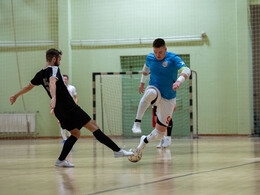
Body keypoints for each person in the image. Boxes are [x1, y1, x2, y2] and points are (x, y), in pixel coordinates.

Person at [10, 48, 133, 167]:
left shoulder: (40, 74)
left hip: (59, 111)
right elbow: (52, 82)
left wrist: (16, 95)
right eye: (59, 59)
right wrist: (53, 97)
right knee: (94, 127)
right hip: (69, 107)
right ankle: (117, 150)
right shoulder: (54, 69)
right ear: (54, 59)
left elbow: (28, 86)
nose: (60, 62)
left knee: (75, 133)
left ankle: (61, 160)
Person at [131, 38, 191, 155]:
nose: (157, 55)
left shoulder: (173, 58)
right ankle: (137, 122)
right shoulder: (150, 57)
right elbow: (146, 67)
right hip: (155, 88)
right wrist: (142, 82)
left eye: (160, 52)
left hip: (168, 97)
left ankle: (144, 140)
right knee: (150, 93)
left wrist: (179, 81)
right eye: (155, 52)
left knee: (159, 134)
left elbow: (186, 70)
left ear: (165, 49)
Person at [59, 74, 77, 144]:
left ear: (68, 80)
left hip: (70, 109)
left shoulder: (72, 88)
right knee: (62, 125)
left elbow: (76, 97)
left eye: (66, 79)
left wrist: (75, 106)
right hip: (61, 109)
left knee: (71, 125)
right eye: (63, 79)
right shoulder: (59, 88)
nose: (64, 80)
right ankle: (64, 139)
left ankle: (70, 140)